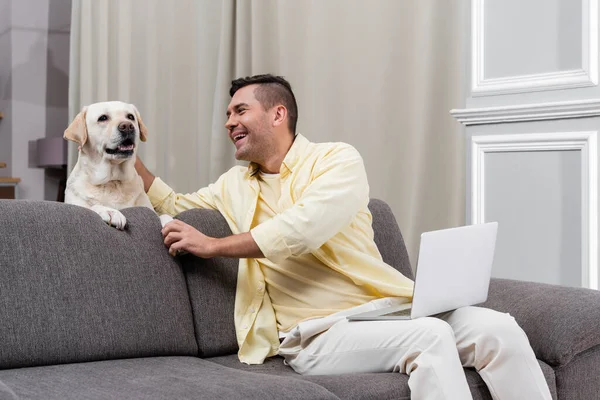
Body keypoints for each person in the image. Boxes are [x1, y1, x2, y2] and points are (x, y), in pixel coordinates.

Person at [135, 74, 552, 400]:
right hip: (317, 335)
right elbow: (173, 202)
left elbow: (303, 228)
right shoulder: (233, 185)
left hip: (388, 310)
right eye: (228, 115)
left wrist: (214, 246)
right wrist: (123, 154)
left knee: (500, 328)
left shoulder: (337, 159)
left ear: (277, 114)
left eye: (239, 111)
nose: (229, 123)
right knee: (430, 338)